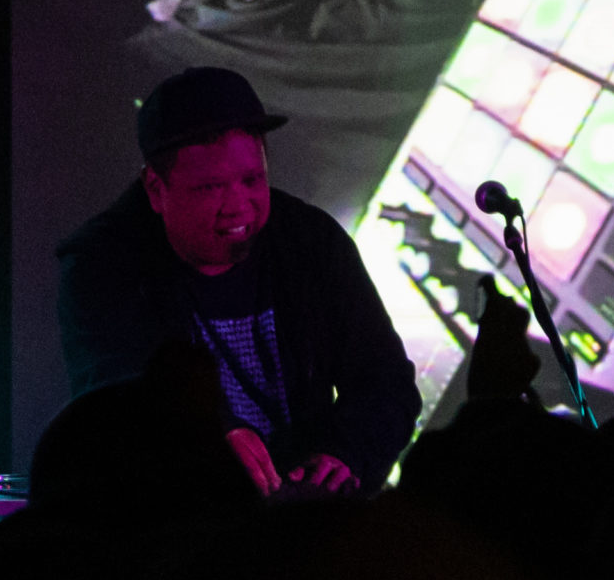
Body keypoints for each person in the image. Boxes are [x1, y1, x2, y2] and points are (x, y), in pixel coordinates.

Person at [55, 66, 420, 496]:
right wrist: (214, 435)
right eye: (210, 188)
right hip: (177, 520)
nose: (238, 208)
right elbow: (114, 402)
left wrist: (347, 453)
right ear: (156, 189)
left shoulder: (312, 241)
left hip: (303, 515)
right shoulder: (100, 263)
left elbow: (386, 381)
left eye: (252, 181)